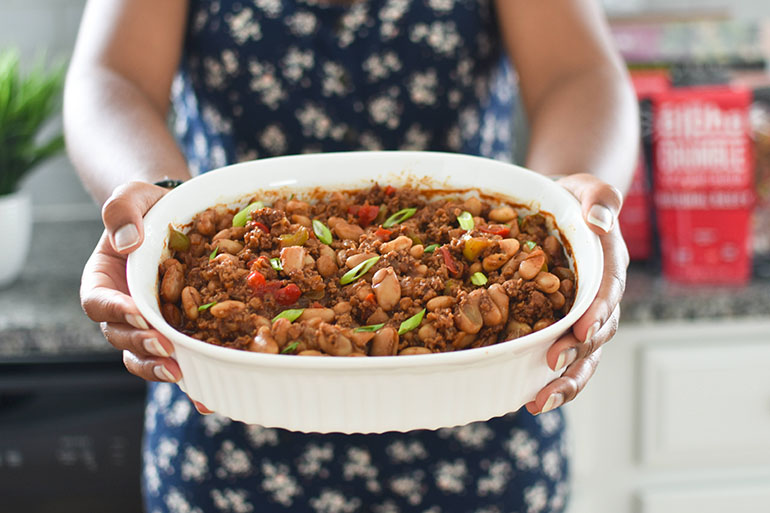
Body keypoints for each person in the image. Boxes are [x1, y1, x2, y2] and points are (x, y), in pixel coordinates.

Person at [66, 0, 635, 511]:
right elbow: (111, 78)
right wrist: (157, 207)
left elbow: (578, 73)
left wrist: (568, 209)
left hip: (491, 414)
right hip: (228, 431)